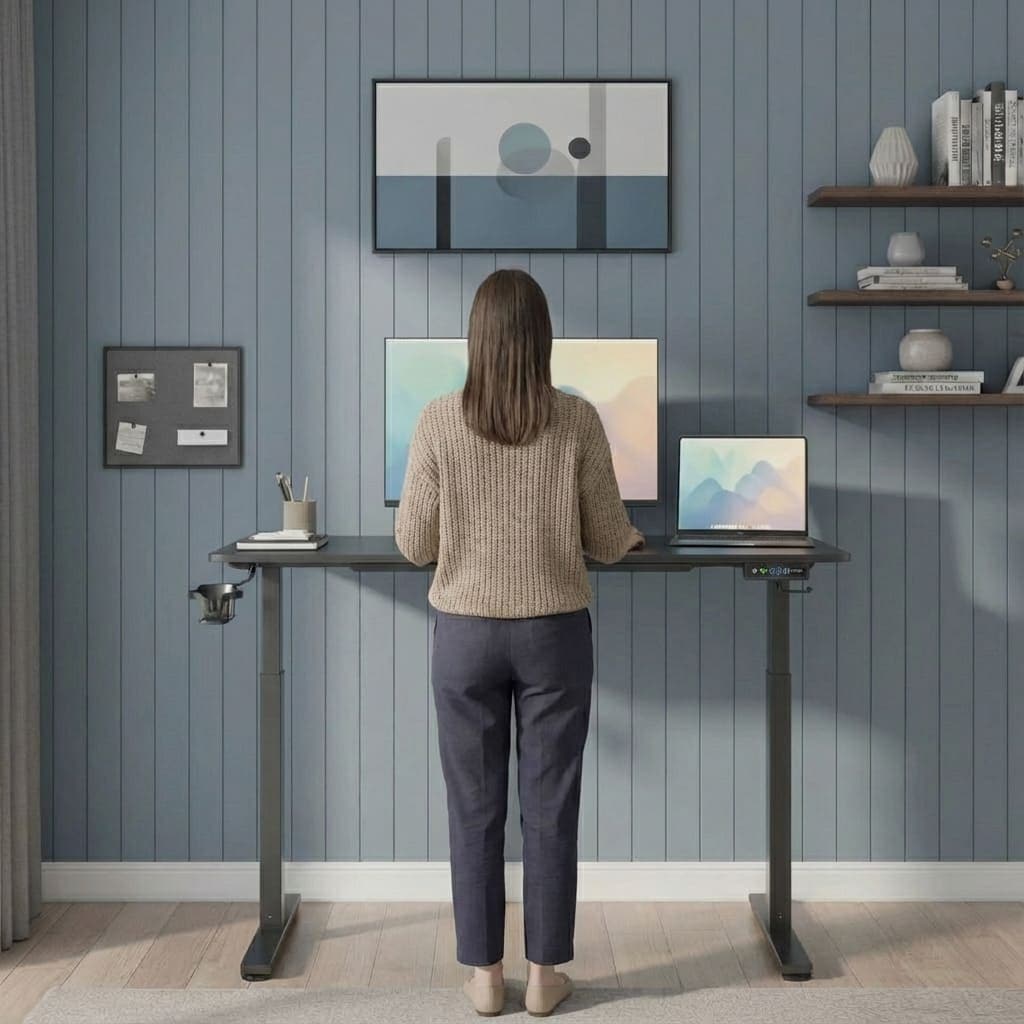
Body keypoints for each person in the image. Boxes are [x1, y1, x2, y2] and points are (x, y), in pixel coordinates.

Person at [395, 269, 643, 1017]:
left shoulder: (439, 419)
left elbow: (412, 544)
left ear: (477, 338)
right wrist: (634, 541)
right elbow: (606, 537)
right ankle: (542, 979)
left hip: (463, 637)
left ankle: (483, 977)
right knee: (550, 807)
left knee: (474, 809)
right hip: (553, 634)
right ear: (543, 338)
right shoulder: (577, 421)